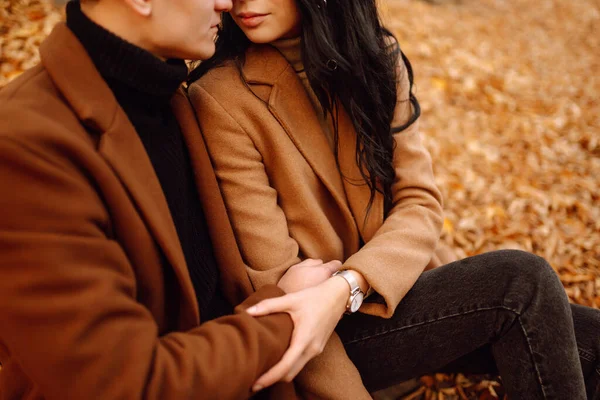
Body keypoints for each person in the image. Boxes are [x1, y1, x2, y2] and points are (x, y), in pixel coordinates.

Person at [187, 0, 600, 398]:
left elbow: (419, 200)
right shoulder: (221, 98)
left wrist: (349, 285)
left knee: (588, 337)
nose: (241, 2)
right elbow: (280, 293)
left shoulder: (375, 59)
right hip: (329, 337)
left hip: (389, 286)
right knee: (521, 282)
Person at [0, 0, 337, 398]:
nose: (226, 3)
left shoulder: (168, 98)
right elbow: (125, 384)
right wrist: (285, 314)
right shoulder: (25, 144)